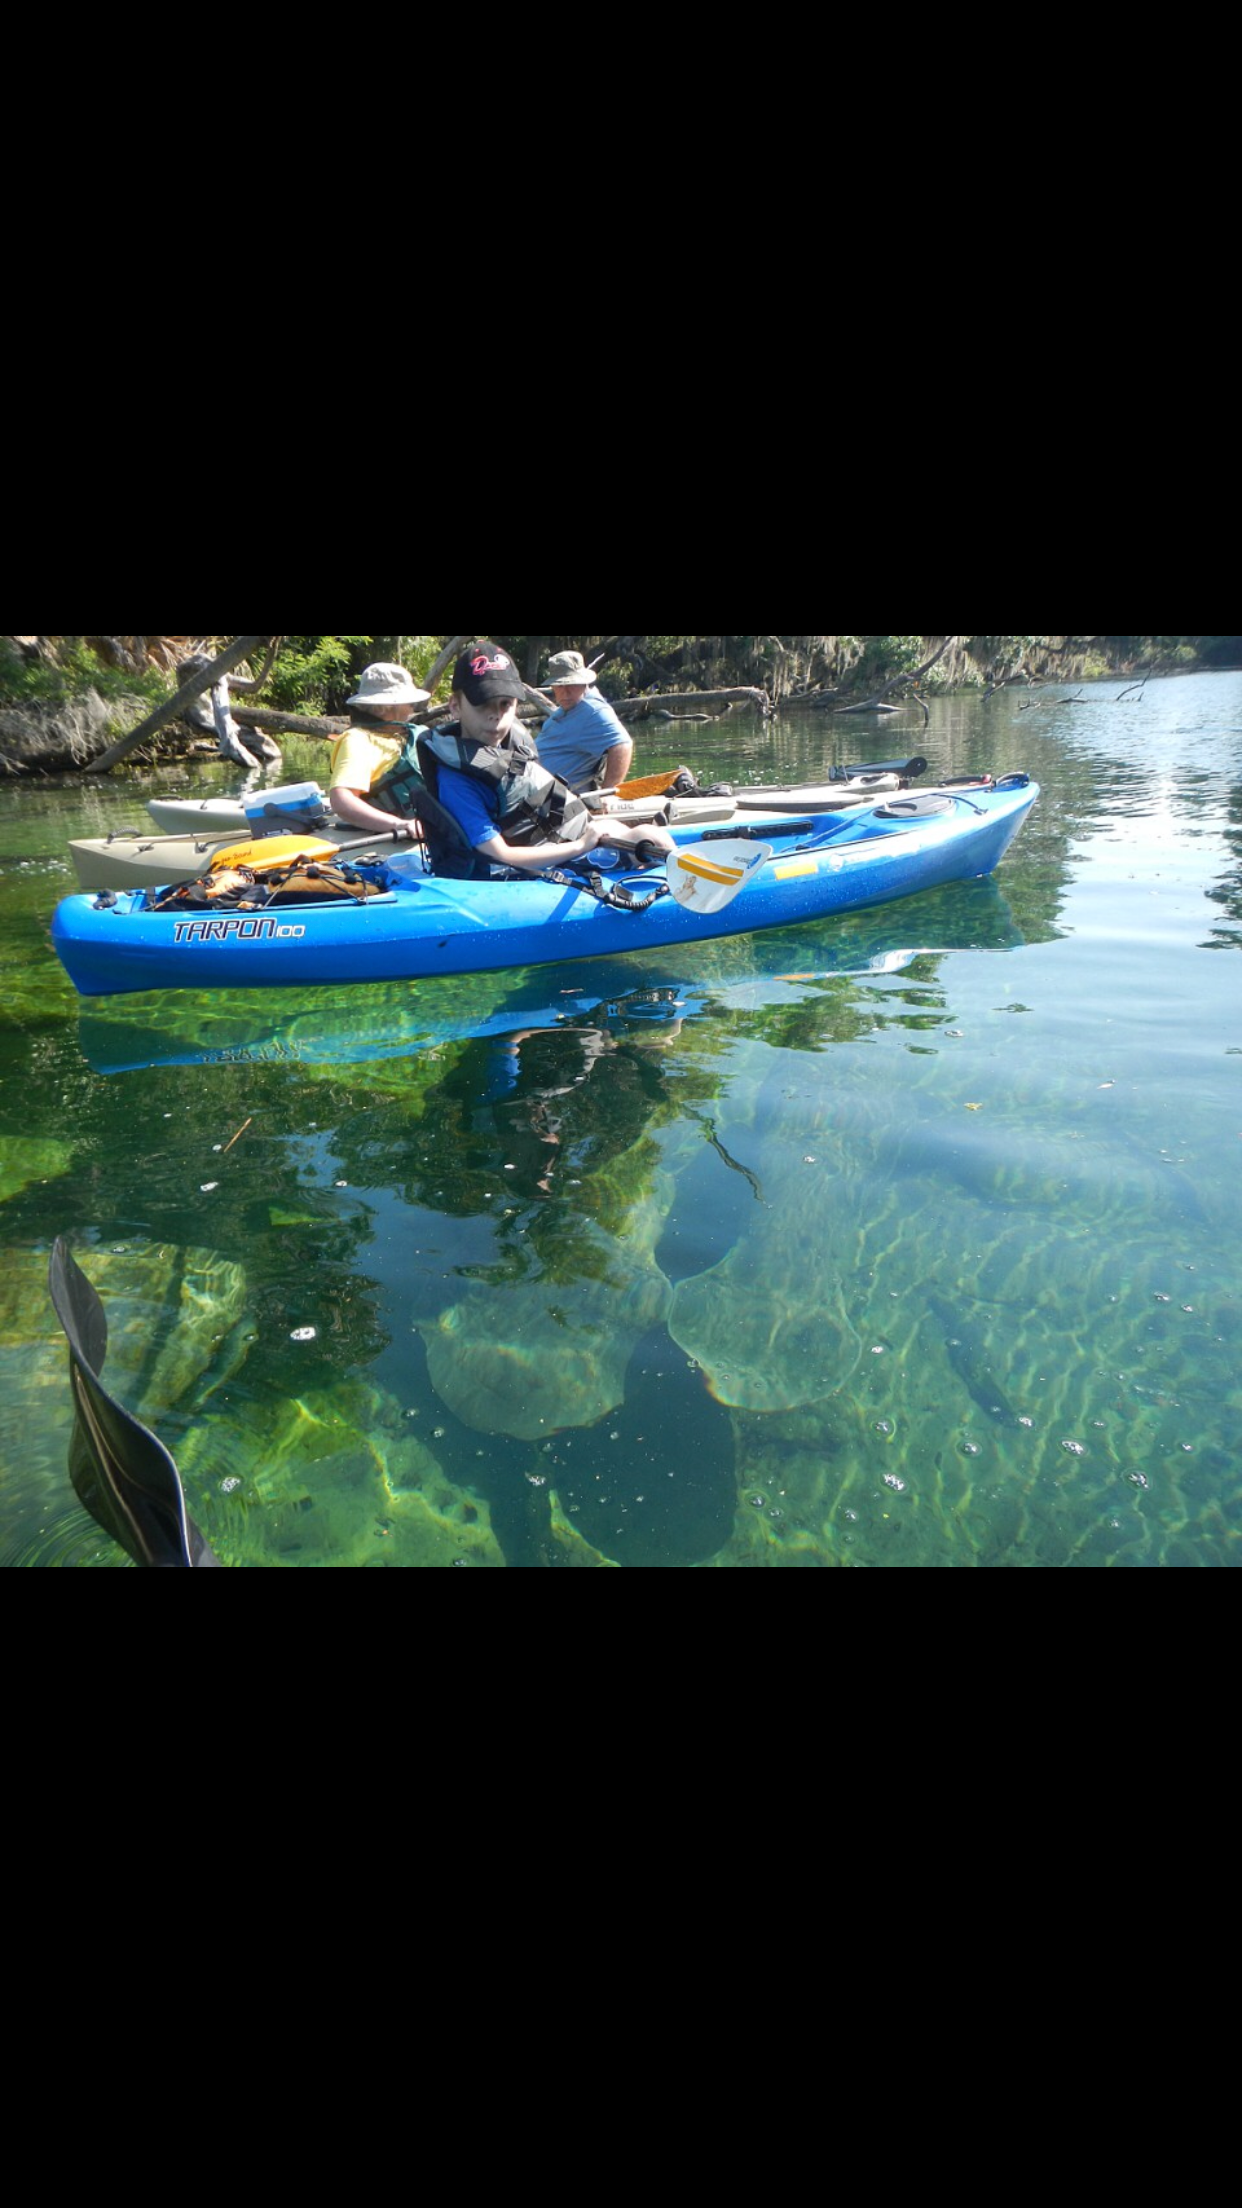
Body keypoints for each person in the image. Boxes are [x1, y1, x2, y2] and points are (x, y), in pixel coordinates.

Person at [421, 642, 675, 881]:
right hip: (544, 857)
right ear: (455, 706)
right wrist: (581, 846)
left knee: (652, 837)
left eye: (505, 705)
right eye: (483, 705)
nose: (495, 716)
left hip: (565, 834)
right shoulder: (456, 782)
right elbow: (500, 854)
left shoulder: (509, 744)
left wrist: (585, 835)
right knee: (650, 838)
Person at [327, 662, 434, 841]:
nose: (411, 707)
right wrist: (399, 824)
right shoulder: (358, 740)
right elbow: (341, 801)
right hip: (403, 831)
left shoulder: (414, 733)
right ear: (387, 707)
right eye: (407, 702)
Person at [536, 650, 634, 803]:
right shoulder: (568, 709)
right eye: (560, 685)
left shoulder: (593, 711)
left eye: (571, 684)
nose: (565, 692)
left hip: (559, 803)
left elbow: (623, 746)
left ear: (584, 682)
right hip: (535, 792)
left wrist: (606, 796)